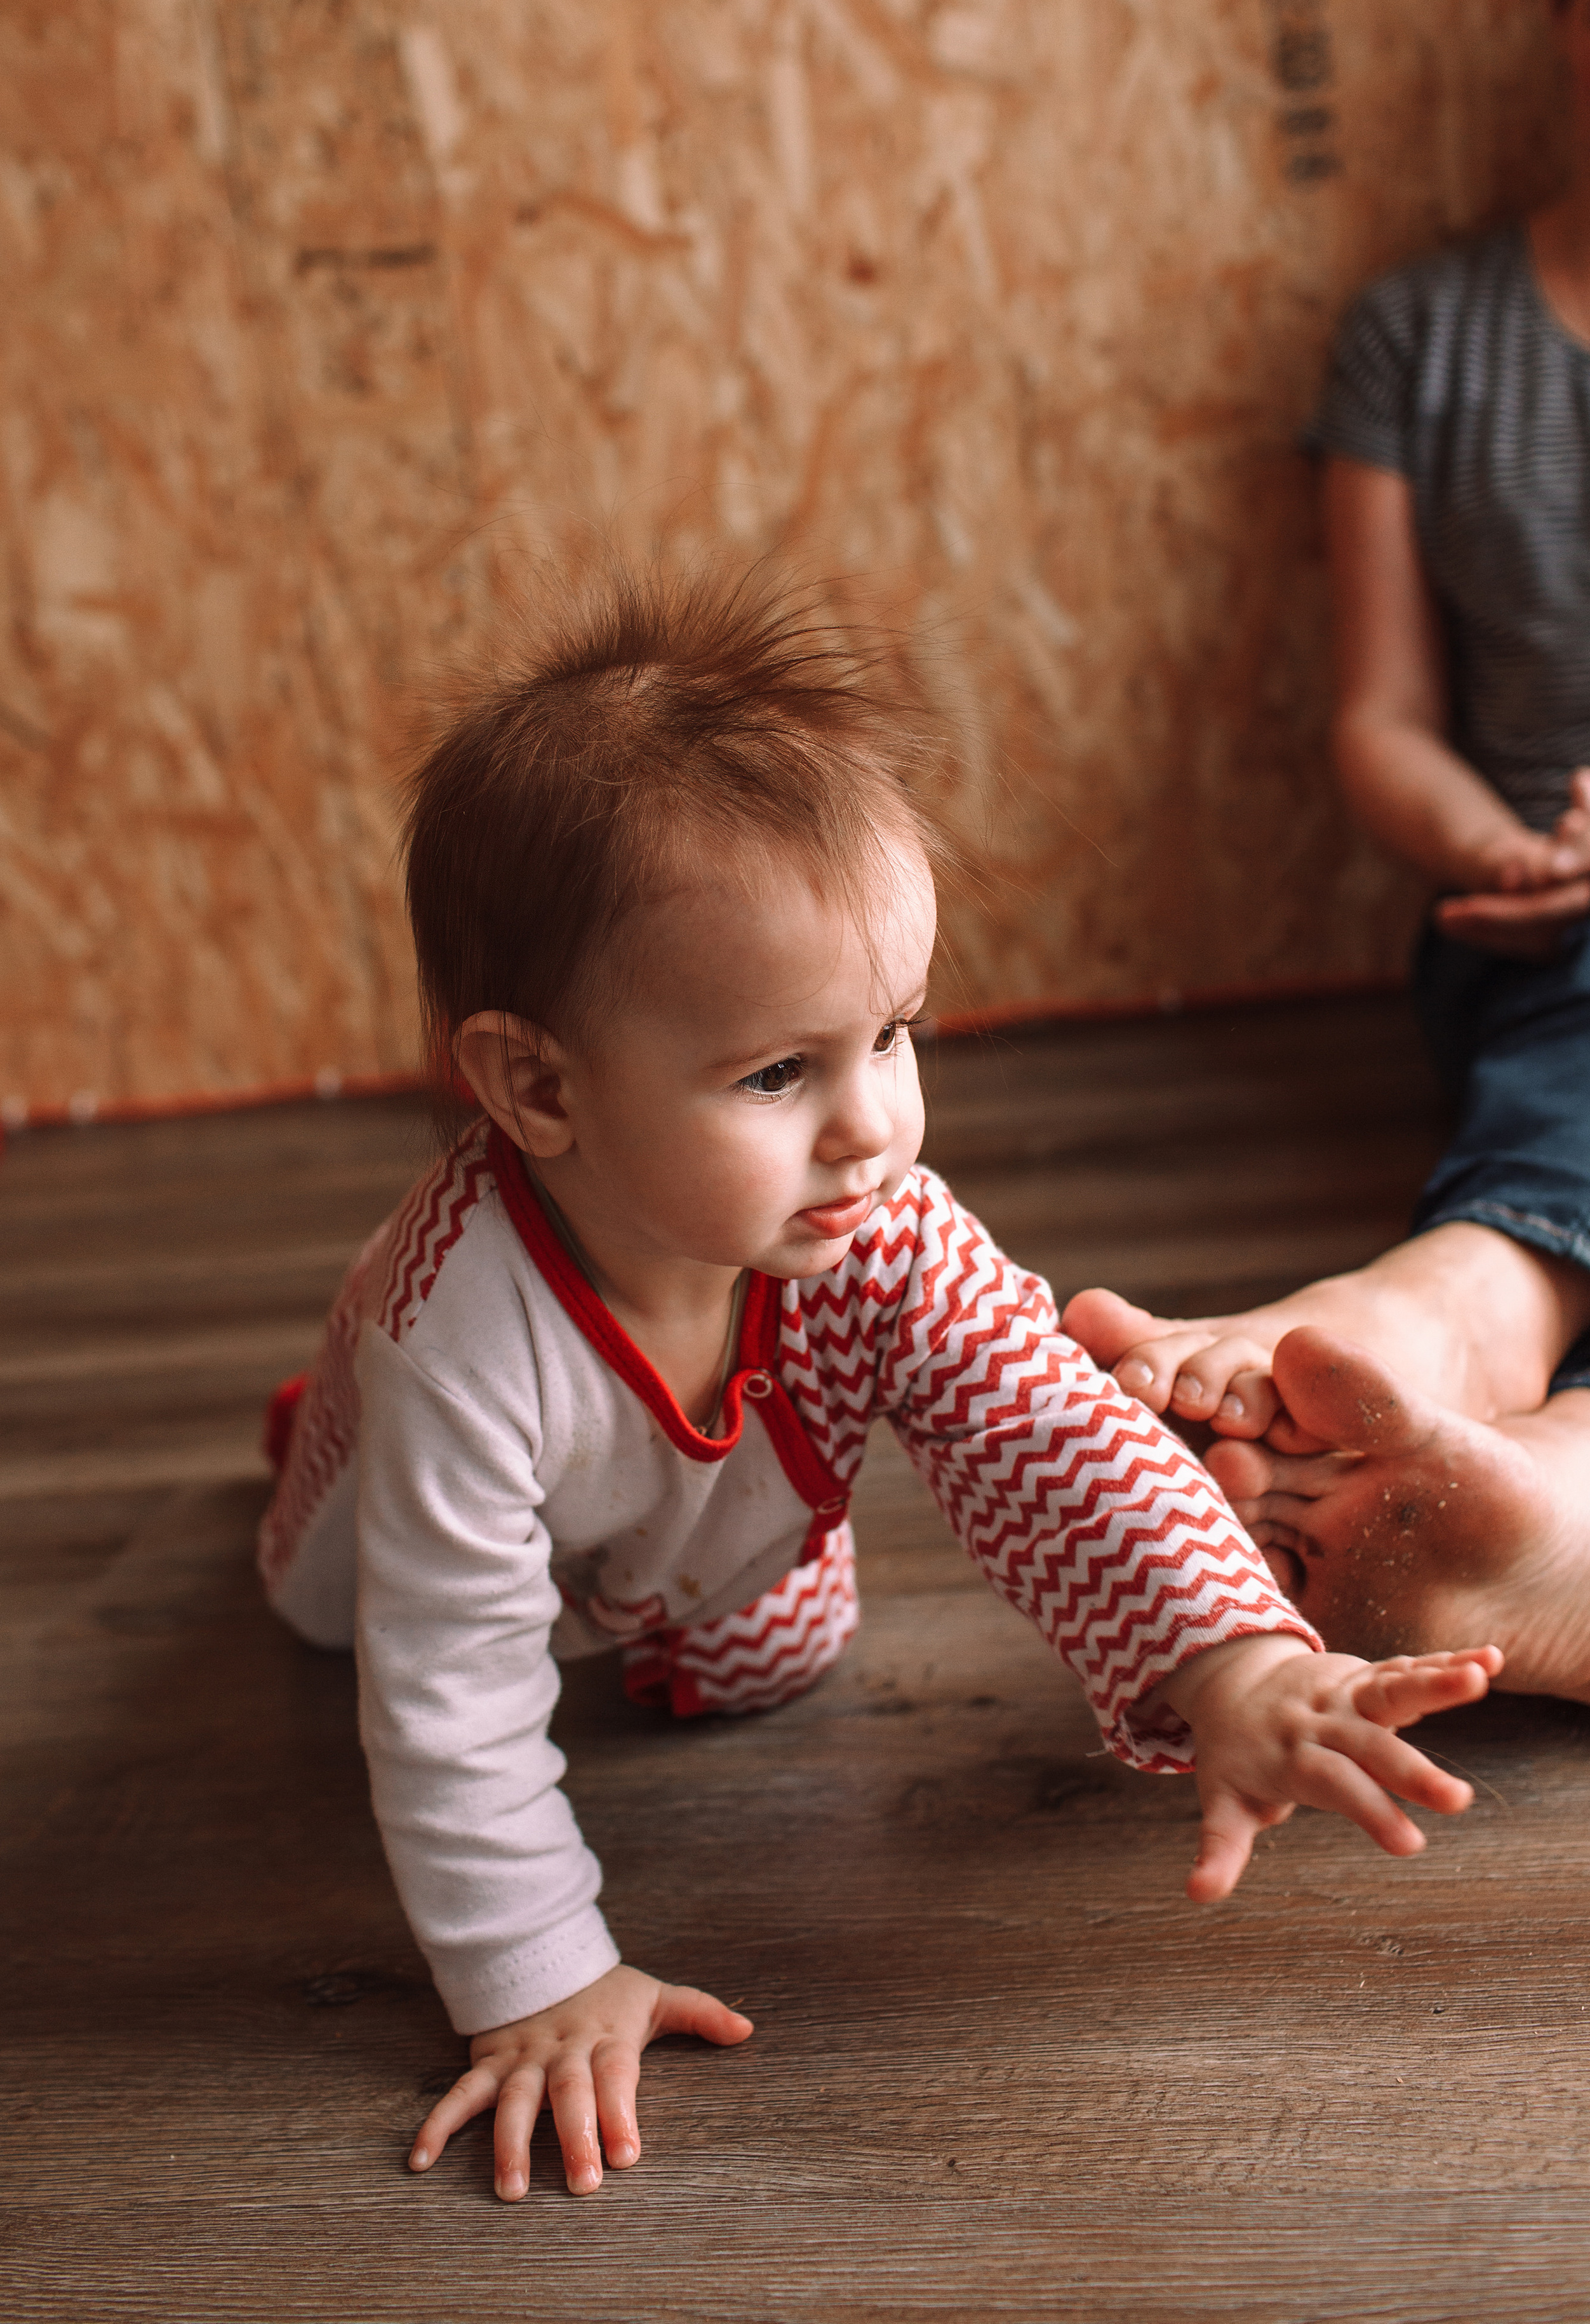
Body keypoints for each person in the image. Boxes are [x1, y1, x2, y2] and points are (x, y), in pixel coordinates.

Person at [260, 565, 1497, 2203]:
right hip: (385, 1534)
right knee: (352, 1616)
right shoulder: (456, 1340)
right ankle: (310, 1441)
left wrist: (1233, 1662)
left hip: (683, 1515)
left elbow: (1050, 1431)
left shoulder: (872, 1219)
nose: (872, 1127)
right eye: (779, 1073)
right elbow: (448, 1707)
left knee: (792, 1642)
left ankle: (680, 1570)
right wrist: (539, 1980)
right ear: (537, 1084)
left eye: (894, 1036)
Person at [1063, 0, 1590, 1716]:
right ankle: (1490, 1349)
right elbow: (1382, 716)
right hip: (1559, 928)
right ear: (1561, 30)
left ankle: (1550, 1474)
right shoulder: (1422, 335)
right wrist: (1502, 845)